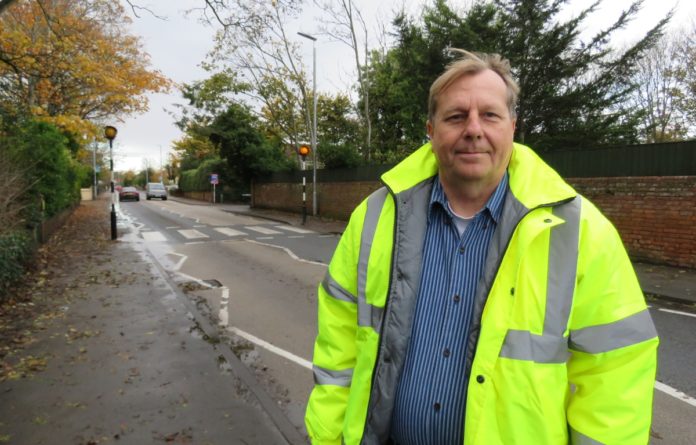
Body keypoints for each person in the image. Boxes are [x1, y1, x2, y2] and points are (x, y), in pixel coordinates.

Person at [304, 49, 658, 445]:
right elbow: (337, 356)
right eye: (456, 116)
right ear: (431, 130)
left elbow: (615, 376)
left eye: (489, 115)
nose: (473, 129)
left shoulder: (579, 230)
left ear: (512, 126)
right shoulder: (374, 218)